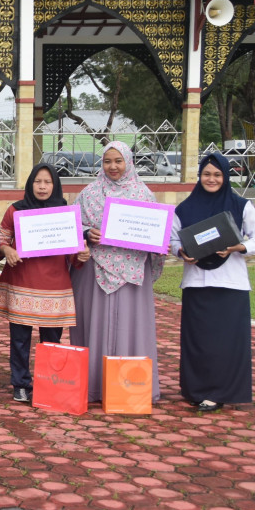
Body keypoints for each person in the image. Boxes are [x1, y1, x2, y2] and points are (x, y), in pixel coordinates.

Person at [170, 152, 255, 412]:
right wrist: (181, 252)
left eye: (217, 174)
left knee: (225, 342)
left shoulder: (240, 205)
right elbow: (173, 240)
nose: (211, 179)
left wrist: (239, 247)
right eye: (206, 174)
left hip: (230, 285)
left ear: (225, 177)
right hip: (196, 284)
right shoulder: (185, 208)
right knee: (198, 342)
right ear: (199, 175)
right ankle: (196, 390)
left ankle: (220, 392)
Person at [71, 141, 164, 403]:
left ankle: (128, 388)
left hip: (131, 271)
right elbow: (72, 227)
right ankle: (93, 386)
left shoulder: (144, 195)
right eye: (107, 161)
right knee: (94, 324)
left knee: (130, 326)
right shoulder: (88, 193)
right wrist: (87, 233)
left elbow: (155, 232)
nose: (113, 167)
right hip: (94, 270)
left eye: (118, 161)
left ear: (129, 162)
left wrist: (160, 243)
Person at [0, 164, 89, 403]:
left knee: (52, 341)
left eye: (48, 182)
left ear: (55, 185)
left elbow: (73, 251)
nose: (43, 186)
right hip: (22, 283)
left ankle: (50, 382)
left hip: (54, 287)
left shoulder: (65, 213)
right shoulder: (15, 210)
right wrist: (6, 249)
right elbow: (0, 241)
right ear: (30, 183)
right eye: (38, 181)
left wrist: (81, 254)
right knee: (19, 339)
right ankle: (21, 383)